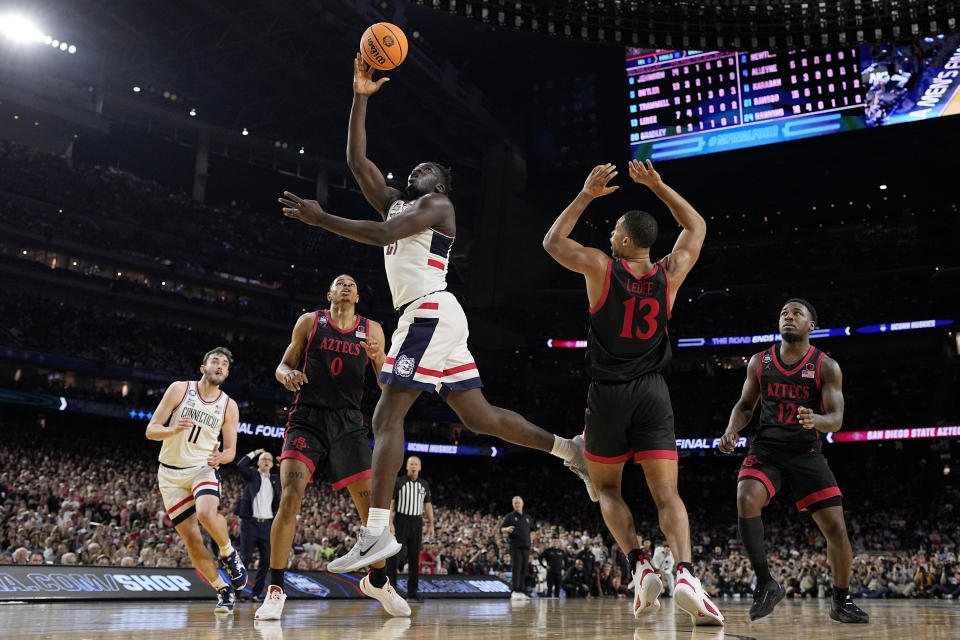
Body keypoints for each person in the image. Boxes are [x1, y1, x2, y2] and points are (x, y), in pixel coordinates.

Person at [276, 53, 595, 575]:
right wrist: (359, 96)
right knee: (481, 417)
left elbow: (380, 236)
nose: (421, 166)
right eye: (418, 166)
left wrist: (320, 218)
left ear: (441, 186)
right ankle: (569, 450)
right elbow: (358, 162)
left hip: (429, 312)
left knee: (385, 414)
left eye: (432, 169)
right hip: (432, 317)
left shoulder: (439, 209)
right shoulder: (397, 203)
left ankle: (377, 532)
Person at [542, 160, 723, 626]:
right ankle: (684, 573)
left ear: (624, 241)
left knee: (606, 487)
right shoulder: (671, 273)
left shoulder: (602, 268)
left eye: (614, 234)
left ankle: (640, 563)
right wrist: (659, 186)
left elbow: (552, 243)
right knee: (668, 496)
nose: (609, 239)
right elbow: (696, 225)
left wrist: (585, 195)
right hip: (653, 393)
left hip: (607, 395)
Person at [256, 275, 409, 620]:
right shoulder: (310, 321)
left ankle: (379, 581)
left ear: (357, 295)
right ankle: (276, 589)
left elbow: (387, 379)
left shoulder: (373, 330)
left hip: (348, 423)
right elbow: (283, 366)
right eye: (339, 283)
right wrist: (287, 376)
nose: (346, 286)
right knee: (290, 496)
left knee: (372, 512)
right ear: (329, 293)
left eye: (352, 284)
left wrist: (379, 359)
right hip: (306, 420)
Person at [719, 298, 869, 624]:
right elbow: (745, 406)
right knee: (745, 497)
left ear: (811, 325)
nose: (788, 317)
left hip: (806, 452)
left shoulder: (826, 366)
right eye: (783, 313)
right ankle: (766, 584)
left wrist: (816, 419)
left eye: (796, 313)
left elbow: (837, 418)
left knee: (837, 532)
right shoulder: (760, 361)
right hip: (767, 449)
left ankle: (841, 601)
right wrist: (732, 430)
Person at [145, 347, 247, 614]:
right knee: (192, 539)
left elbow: (231, 451)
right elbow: (151, 430)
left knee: (205, 513)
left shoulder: (229, 406)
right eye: (215, 360)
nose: (220, 365)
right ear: (203, 368)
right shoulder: (180, 389)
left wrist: (220, 458)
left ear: (226, 374)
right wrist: (172, 429)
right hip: (170, 474)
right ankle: (222, 589)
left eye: (225, 363)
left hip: (202, 468)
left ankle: (228, 552)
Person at [387, 456, 434, 601]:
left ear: (420, 467)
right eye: (411, 464)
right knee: (394, 555)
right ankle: (391, 590)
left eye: (416, 464)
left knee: (414, 557)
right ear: (407, 466)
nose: (413, 466)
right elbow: (391, 502)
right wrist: (390, 522)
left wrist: (431, 524)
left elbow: (427, 505)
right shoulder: (399, 482)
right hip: (401, 520)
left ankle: (412, 591)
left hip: (417, 521)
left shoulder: (424, 484)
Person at [235, 448, 281, 599]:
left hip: (267, 525)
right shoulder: (253, 475)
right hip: (250, 523)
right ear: (258, 463)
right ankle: (236, 593)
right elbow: (241, 465)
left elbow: (291, 477)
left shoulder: (276, 479)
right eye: (263, 459)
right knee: (245, 558)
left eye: (269, 459)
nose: (266, 461)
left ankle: (256, 594)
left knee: (266, 561)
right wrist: (254, 453)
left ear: (273, 464)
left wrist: (284, 464)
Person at [500, 496, 536, 600]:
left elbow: (533, 530)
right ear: (513, 505)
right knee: (517, 568)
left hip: (526, 546)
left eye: (518, 503)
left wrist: (532, 538)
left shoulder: (527, 517)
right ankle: (515, 590)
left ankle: (522, 589)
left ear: (522, 504)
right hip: (515, 546)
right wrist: (506, 529)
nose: (517, 505)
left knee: (524, 569)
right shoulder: (510, 516)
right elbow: (501, 529)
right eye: (515, 503)